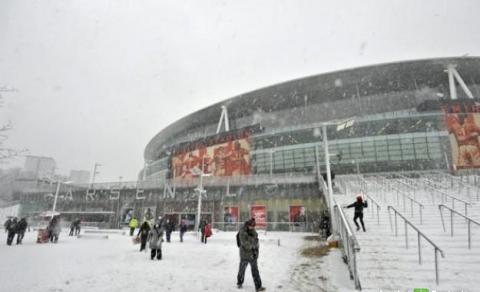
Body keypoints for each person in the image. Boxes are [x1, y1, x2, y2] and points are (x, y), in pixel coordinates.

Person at [236, 219, 265, 291]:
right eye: (252, 226)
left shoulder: (253, 230)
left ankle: (258, 287)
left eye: (253, 226)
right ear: (248, 225)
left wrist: (254, 247)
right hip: (244, 255)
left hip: (253, 254)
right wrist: (252, 241)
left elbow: (256, 240)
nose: (253, 228)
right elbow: (246, 244)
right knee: (242, 270)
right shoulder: (242, 231)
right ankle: (239, 282)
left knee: (255, 271)